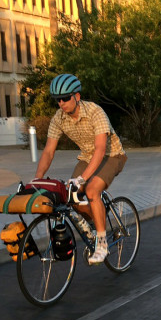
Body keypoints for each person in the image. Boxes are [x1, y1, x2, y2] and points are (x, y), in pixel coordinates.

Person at [34, 74, 127, 264]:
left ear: (76, 96)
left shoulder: (95, 112)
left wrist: (82, 179)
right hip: (87, 158)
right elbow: (49, 152)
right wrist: (37, 179)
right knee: (69, 194)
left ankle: (102, 244)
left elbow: (101, 149)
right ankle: (96, 221)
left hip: (112, 155)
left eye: (65, 98)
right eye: (57, 100)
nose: (61, 103)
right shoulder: (59, 118)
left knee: (91, 189)